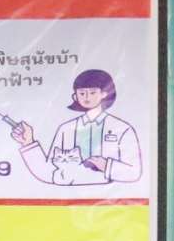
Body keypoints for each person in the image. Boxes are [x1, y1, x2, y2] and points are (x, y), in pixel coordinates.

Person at [10, 68, 143, 187]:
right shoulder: (65, 129)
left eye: (92, 92)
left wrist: (107, 166)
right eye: (82, 93)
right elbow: (49, 171)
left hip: (106, 198)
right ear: (75, 96)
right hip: (65, 199)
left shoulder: (122, 128)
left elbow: (134, 172)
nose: (87, 97)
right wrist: (28, 142)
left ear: (104, 93)